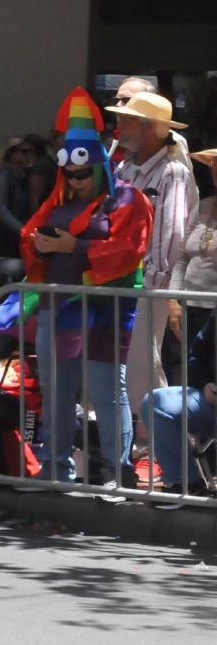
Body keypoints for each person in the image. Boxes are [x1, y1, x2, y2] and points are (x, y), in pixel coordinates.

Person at [24, 88, 150, 487]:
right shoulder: (57, 199)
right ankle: (55, 469)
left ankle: (118, 472)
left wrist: (72, 245)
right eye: (69, 172)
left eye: (82, 172)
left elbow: (129, 250)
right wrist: (40, 243)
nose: (75, 179)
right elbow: (29, 233)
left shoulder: (128, 198)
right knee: (56, 391)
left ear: (97, 167)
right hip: (57, 306)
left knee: (106, 390)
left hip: (104, 308)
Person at [105, 88, 194, 457]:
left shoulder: (173, 172)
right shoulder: (124, 168)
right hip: (120, 281)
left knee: (139, 366)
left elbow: (172, 234)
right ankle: (162, 444)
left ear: (152, 129)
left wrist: (156, 287)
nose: (119, 125)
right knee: (134, 366)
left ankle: (170, 449)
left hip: (148, 286)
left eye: (129, 120)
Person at [141, 147, 217, 499]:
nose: (216, 172)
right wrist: (175, 300)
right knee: (195, 379)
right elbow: (183, 257)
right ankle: (192, 479)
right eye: (214, 166)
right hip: (195, 310)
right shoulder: (205, 207)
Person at [0, 134, 51, 281]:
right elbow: (1, 208)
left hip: (15, 236)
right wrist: (22, 229)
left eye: (32, 152)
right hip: (1, 237)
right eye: (24, 151)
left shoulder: (22, 176)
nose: (29, 155)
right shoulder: (4, 175)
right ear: (11, 153)